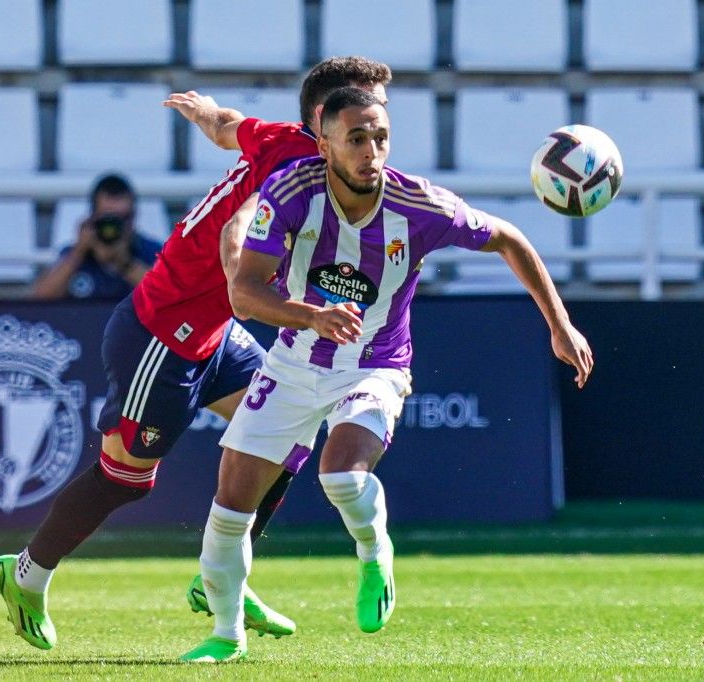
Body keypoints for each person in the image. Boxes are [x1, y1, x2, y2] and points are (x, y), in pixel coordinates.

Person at [0, 58, 394, 651]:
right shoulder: (294, 163)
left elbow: (231, 125)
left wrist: (205, 113)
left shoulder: (301, 146)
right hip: (164, 334)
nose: (377, 119)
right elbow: (238, 226)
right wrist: (246, 282)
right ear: (323, 119)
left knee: (285, 438)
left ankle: (220, 574)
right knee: (126, 479)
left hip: (216, 334)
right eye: (362, 103)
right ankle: (25, 573)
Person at [179, 87, 594, 663]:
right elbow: (243, 294)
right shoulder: (291, 192)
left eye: (380, 137)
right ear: (324, 143)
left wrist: (560, 323)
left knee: (340, 477)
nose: (371, 151)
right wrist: (312, 316)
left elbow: (508, 237)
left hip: (375, 365)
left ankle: (374, 552)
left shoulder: (418, 205)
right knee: (228, 509)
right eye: (356, 138)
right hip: (294, 361)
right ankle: (227, 636)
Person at [32, 173, 162, 300]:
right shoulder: (75, 254)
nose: (115, 227)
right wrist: (78, 252)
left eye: (123, 218)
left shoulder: (153, 252)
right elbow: (40, 299)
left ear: (134, 217)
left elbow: (168, 298)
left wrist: (123, 262)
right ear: (93, 217)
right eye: (108, 219)